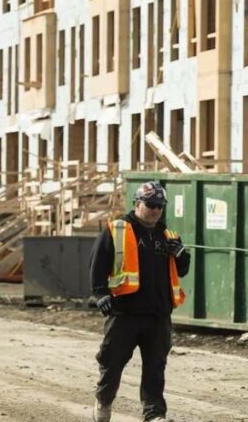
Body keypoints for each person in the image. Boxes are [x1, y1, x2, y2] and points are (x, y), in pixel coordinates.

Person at [89, 180, 190, 422]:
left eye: (159, 205)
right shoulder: (117, 230)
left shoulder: (169, 236)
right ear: (137, 204)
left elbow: (182, 270)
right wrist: (101, 293)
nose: (155, 210)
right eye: (150, 204)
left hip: (158, 315)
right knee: (112, 363)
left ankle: (154, 414)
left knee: (155, 368)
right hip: (125, 313)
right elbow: (98, 263)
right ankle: (103, 401)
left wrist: (181, 254)